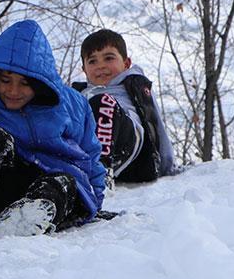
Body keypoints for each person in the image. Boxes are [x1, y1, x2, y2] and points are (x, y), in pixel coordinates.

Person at [0, 20, 107, 244]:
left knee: (63, 182)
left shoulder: (71, 105)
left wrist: (95, 201)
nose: (13, 91)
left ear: (40, 82)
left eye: (24, 83)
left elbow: (91, 155)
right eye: (5, 81)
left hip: (59, 192)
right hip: (5, 188)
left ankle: (25, 221)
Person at [72, 29, 176, 183]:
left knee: (103, 102)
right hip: (88, 156)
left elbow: (155, 123)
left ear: (126, 63)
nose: (101, 66)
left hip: (136, 157)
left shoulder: (134, 85)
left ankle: (101, 171)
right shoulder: (78, 95)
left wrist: (166, 166)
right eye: (92, 61)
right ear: (84, 70)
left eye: (108, 58)